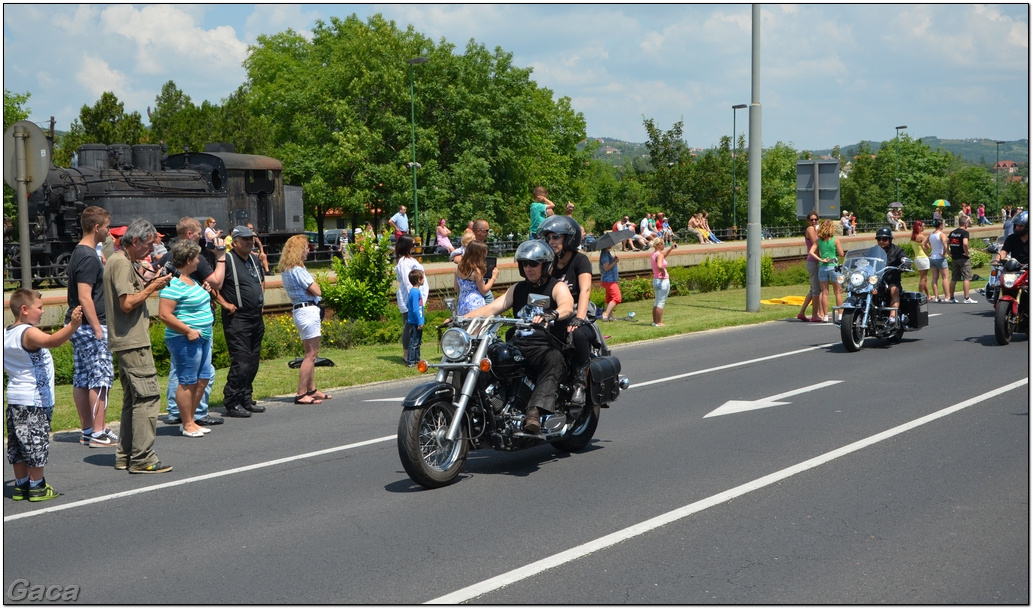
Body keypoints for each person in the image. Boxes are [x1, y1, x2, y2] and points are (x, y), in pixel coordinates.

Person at [463, 240, 574, 434]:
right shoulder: (518, 289)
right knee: (489, 355)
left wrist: (553, 314)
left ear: (545, 265)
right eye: (524, 264)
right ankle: (487, 406)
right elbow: (492, 308)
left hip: (543, 344)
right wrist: (461, 319)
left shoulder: (556, 286)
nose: (528, 268)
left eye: (533, 264)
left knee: (553, 359)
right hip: (518, 343)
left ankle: (534, 412)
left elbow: (566, 305)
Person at [103, 218, 175, 473]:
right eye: (147, 246)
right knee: (147, 398)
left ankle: (126, 455)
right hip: (132, 340)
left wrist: (148, 283)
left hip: (126, 339)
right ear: (134, 241)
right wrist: (152, 288)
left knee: (133, 399)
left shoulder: (120, 260)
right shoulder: (121, 263)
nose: (150, 251)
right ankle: (143, 457)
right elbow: (126, 303)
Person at [5, 291, 82, 501]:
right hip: (33, 400)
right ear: (24, 309)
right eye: (39, 307)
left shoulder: (7, 333)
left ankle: (21, 485)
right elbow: (52, 341)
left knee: (18, 444)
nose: (42, 311)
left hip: (15, 398)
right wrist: (72, 326)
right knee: (36, 442)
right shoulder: (27, 332)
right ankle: (37, 485)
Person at [157, 217, 226, 427]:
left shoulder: (191, 279)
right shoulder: (174, 283)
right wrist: (188, 330)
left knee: (202, 376)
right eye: (196, 258)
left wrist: (202, 290)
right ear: (188, 260)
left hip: (202, 335)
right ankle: (187, 421)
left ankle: (191, 417)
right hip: (188, 337)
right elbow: (164, 314)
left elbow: (206, 289)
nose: (200, 261)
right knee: (186, 379)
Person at [65, 206, 117, 448]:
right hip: (90, 325)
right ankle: (98, 432)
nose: (109, 231)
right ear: (97, 227)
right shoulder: (87, 256)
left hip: (80, 326)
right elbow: (85, 296)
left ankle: (88, 430)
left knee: (83, 378)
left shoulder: (81, 252)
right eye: (107, 226)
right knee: (100, 378)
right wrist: (97, 328)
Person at [539, 214, 594, 404]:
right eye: (548, 237)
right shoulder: (550, 262)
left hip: (577, 312)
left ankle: (580, 382)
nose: (551, 241)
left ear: (568, 238)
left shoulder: (580, 261)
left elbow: (585, 290)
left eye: (556, 237)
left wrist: (579, 318)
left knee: (578, 335)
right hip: (554, 315)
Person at [217, 225, 268, 418]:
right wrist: (225, 304)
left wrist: (260, 301)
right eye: (245, 239)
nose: (249, 242)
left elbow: (260, 281)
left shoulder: (254, 259)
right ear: (235, 241)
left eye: (251, 239)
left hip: (255, 316)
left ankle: (246, 397)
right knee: (241, 361)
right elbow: (213, 286)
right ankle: (232, 401)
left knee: (253, 360)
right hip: (237, 317)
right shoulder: (226, 260)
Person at [278, 234, 331, 404]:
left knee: (311, 354)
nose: (308, 250)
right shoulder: (298, 270)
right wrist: (313, 289)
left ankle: (312, 389)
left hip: (299, 311)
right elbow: (318, 290)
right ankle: (301, 393)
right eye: (306, 248)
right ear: (299, 250)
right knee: (311, 355)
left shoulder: (287, 270)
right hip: (308, 311)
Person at [394, 235, 427, 366]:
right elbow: (409, 282)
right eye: (413, 245)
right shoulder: (403, 262)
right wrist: (415, 297)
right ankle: (408, 356)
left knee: (412, 327)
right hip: (410, 299)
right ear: (406, 246)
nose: (415, 247)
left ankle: (413, 356)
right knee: (409, 327)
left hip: (416, 297)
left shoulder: (409, 259)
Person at [809, 219, 844, 323]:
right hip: (833, 266)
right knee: (837, 292)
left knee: (824, 293)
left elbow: (811, 252)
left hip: (823, 267)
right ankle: (840, 315)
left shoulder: (819, 240)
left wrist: (821, 259)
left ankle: (824, 315)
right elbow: (841, 253)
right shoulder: (835, 239)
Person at [875, 227, 906, 326]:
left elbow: (903, 257)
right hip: (875, 281)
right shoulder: (874, 251)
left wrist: (904, 263)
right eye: (879, 239)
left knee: (894, 290)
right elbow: (864, 258)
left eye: (884, 239)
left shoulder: (897, 251)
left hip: (891, 279)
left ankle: (892, 316)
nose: (881, 241)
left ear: (890, 240)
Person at [454, 240, 496, 316]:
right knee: (478, 327)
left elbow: (456, 288)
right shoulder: (476, 271)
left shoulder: (458, 267)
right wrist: (493, 277)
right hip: (475, 303)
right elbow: (484, 290)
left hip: (462, 303)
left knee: (465, 327)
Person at [798, 213, 822, 322]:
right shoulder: (810, 230)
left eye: (816, 219)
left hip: (814, 261)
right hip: (813, 261)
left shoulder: (815, 230)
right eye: (811, 220)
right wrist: (821, 259)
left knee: (813, 289)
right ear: (808, 220)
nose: (814, 221)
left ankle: (802, 312)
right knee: (816, 290)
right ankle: (814, 316)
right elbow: (815, 244)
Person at [947, 216, 977, 304]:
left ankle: (951, 297)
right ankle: (966, 298)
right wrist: (966, 252)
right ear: (965, 223)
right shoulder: (965, 233)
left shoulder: (952, 233)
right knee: (966, 277)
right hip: (963, 258)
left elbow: (945, 243)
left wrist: (948, 253)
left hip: (954, 258)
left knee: (954, 278)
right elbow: (965, 243)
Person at [650, 237, 678, 327]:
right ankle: (659, 322)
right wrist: (662, 271)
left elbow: (662, 256)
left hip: (656, 280)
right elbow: (659, 265)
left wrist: (670, 249)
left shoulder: (654, 254)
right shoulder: (659, 255)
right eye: (663, 243)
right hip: (663, 281)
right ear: (659, 245)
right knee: (661, 302)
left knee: (657, 302)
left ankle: (655, 322)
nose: (664, 245)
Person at [406, 269, 426, 367]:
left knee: (417, 342)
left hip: (416, 321)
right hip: (416, 322)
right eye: (423, 278)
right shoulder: (415, 292)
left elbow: (407, 304)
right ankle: (411, 361)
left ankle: (417, 360)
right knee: (414, 342)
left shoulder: (413, 291)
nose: (424, 280)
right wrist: (419, 321)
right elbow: (415, 309)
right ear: (419, 279)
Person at [928, 219, 950, 302]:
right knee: (945, 277)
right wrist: (944, 253)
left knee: (934, 278)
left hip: (933, 257)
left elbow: (923, 244)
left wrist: (928, 254)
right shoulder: (942, 234)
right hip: (940, 258)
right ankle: (947, 296)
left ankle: (936, 297)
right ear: (940, 225)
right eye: (943, 224)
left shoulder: (931, 234)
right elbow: (945, 245)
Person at [909, 220, 931, 300]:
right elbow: (928, 246)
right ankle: (920, 295)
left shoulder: (913, 236)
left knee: (924, 278)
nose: (924, 227)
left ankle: (928, 295)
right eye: (922, 226)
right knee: (923, 278)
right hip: (923, 257)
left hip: (917, 258)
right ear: (919, 227)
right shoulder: (921, 236)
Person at [599, 245, 621, 321]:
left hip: (609, 280)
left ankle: (610, 317)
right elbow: (606, 268)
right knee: (617, 298)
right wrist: (615, 261)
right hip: (609, 280)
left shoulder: (606, 253)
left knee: (609, 299)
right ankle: (606, 314)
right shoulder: (605, 254)